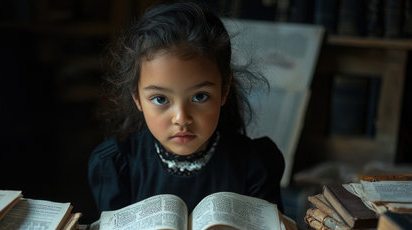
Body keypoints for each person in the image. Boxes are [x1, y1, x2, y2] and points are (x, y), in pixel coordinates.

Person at [88, 2, 285, 214]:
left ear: (224, 90)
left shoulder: (255, 166)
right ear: (137, 98)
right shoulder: (117, 167)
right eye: (161, 99)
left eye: (200, 97)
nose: (181, 119)